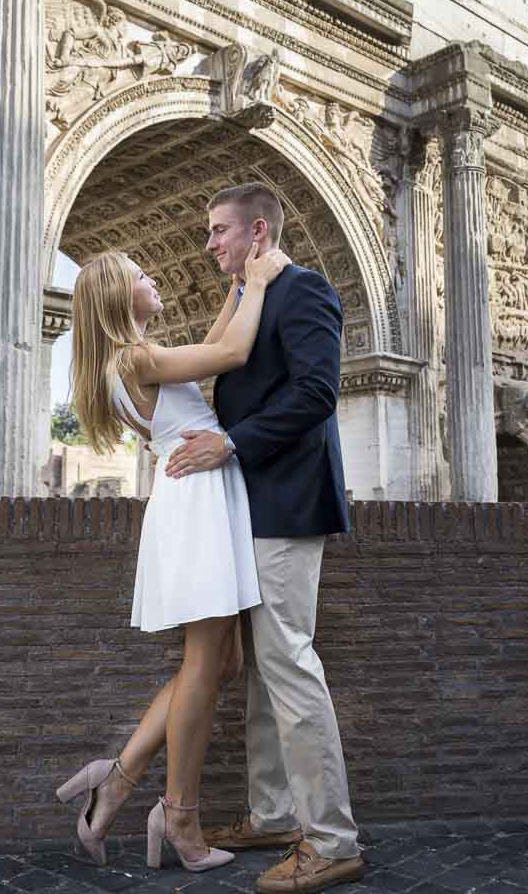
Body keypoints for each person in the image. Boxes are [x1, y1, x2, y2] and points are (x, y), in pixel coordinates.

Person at [56, 242, 290, 875]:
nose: (155, 276)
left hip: (190, 501)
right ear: (115, 295)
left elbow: (212, 344)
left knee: (223, 661)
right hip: (197, 505)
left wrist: (237, 285)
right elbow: (234, 353)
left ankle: (119, 776)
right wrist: (264, 280)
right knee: (206, 663)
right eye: (141, 274)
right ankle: (180, 814)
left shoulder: (129, 363)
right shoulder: (138, 357)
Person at [165, 181, 365, 893]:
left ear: (257, 232)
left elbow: (316, 393)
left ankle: (333, 840)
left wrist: (231, 445)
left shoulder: (305, 290)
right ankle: (274, 813)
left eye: (219, 230)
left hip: (285, 502)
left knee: (288, 662)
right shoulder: (252, 297)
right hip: (250, 505)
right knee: (261, 667)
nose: (208, 242)